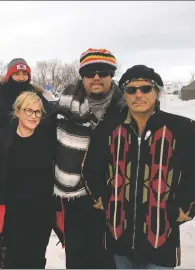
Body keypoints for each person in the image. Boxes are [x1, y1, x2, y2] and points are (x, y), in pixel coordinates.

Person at [83, 65, 195, 269]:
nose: (138, 95)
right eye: (131, 89)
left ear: (156, 91)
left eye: (145, 88)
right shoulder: (108, 129)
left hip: (162, 235)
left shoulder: (183, 129)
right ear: (124, 94)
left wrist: (183, 208)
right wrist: (103, 200)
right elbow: (91, 168)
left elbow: (194, 173)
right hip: (119, 235)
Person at [53, 48, 124, 269]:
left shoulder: (125, 107)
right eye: (90, 72)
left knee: (109, 257)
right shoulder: (65, 104)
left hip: (114, 196)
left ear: (111, 75)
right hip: (74, 195)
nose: (96, 78)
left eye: (103, 72)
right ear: (82, 76)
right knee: (77, 257)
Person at [0, 58, 54, 268]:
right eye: (17, 74)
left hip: (41, 207)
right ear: (17, 111)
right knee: (11, 257)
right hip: (12, 206)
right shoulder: (3, 126)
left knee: (36, 257)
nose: (21, 78)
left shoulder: (46, 132)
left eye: (25, 75)